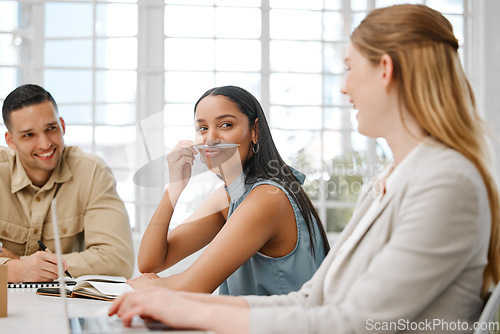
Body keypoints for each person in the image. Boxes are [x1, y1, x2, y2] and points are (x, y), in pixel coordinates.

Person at [109, 4, 500, 333]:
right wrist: (167, 299)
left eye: (349, 67)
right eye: (202, 127)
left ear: (385, 69)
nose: (344, 87)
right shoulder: (391, 178)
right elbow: (312, 300)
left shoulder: (446, 182)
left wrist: (184, 306)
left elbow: (352, 321)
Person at [127, 85, 329, 295]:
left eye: (225, 125)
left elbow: (191, 287)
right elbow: (151, 262)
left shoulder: (267, 197)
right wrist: (175, 187)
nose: (211, 138)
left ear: (255, 131)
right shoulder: (230, 196)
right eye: (202, 128)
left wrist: (151, 285)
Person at [0, 84, 135, 282]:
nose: (45, 144)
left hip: (67, 306)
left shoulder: (92, 172)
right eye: (29, 135)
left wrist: (21, 265)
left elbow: (118, 260)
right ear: (11, 141)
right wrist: (15, 269)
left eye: (51, 128)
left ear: (62, 126)